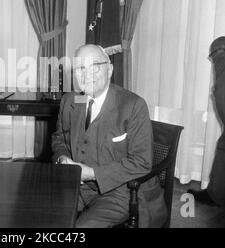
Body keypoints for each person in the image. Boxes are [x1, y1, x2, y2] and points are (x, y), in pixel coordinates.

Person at [52, 44, 167, 228]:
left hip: (122, 191)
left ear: (110, 69)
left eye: (95, 66)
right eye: (81, 68)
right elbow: (60, 139)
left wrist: (91, 173)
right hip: (78, 187)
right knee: (42, 213)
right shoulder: (70, 101)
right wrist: (62, 158)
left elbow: (142, 162)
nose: (87, 74)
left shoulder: (133, 106)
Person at [188, 36, 225, 206]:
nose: (213, 60)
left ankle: (216, 195)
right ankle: (220, 194)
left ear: (221, 50)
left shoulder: (224, 60)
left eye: (212, 55)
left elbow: (222, 95)